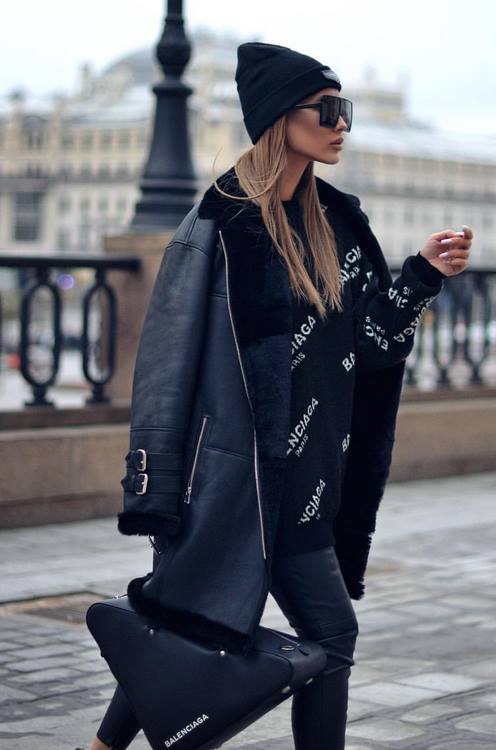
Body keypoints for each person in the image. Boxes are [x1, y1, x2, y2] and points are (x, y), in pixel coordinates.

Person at [83, 42, 472, 750]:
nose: (341, 123)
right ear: (277, 118)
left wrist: (421, 275)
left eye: (344, 109)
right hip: (233, 482)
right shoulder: (221, 225)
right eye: (326, 110)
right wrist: (154, 488)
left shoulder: (339, 225)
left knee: (192, 624)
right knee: (242, 627)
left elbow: (372, 348)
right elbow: (165, 364)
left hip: (312, 478)